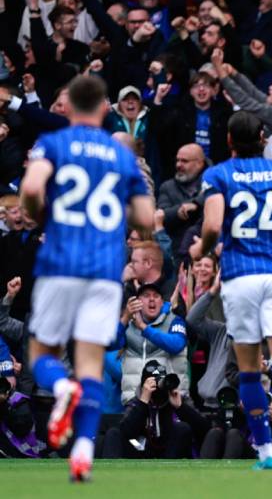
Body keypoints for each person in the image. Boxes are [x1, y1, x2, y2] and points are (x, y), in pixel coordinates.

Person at [19, 75, 153, 481]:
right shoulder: (121, 156)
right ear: (103, 108)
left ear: (68, 107)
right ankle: (82, 452)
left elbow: (30, 187)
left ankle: (61, 389)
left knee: (42, 355)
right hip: (104, 270)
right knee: (91, 361)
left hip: (60, 262)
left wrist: (42, 212)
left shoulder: (54, 143)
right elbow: (146, 218)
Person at [189, 110, 272, 470]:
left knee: (249, 369)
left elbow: (213, 224)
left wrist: (201, 249)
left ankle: (266, 452)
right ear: (264, 136)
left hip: (240, 278)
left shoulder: (218, 173)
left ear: (229, 141)